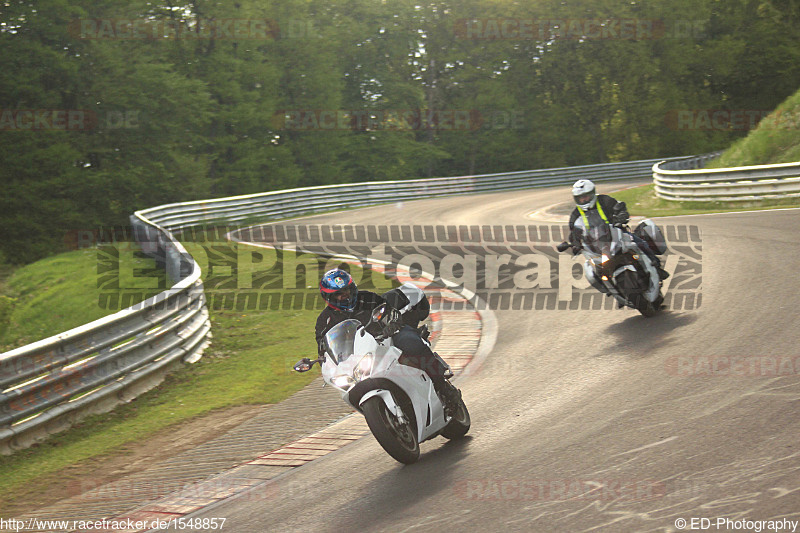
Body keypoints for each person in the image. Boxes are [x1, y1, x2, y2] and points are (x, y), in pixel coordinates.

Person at [315, 268, 462, 414]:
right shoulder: (324, 321)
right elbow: (324, 347)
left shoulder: (367, 298)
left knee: (411, 344)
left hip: (387, 338)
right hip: (359, 357)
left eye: (347, 290)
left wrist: (392, 322)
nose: (345, 296)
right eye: (338, 294)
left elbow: (388, 310)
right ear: (328, 298)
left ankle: (442, 386)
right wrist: (324, 360)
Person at [568, 179, 670, 280]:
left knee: (639, 242)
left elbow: (619, 207)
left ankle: (656, 266)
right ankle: (606, 285)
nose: (584, 200)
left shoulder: (604, 200)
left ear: (592, 193)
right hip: (596, 244)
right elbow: (574, 232)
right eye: (580, 198)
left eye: (586, 196)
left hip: (616, 233)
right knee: (592, 268)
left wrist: (621, 215)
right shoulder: (575, 215)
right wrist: (575, 243)